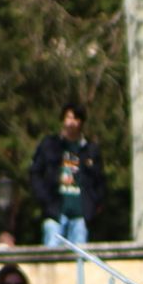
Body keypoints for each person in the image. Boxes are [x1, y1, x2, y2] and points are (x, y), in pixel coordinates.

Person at [29, 103, 104, 246]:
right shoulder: (49, 145)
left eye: (76, 118)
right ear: (63, 119)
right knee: (52, 260)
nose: (71, 122)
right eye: (68, 117)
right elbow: (35, 173)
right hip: (55, 215)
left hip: (81, 217)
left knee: (79, 261)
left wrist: (94, 205)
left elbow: (100, 180)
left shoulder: (91, 150)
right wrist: (45, 199)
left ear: (81, 122)